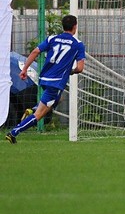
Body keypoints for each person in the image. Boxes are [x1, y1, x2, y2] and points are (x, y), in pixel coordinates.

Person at [5, 15, 86, 144]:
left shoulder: (52, 38)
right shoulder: (78, 44)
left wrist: (24, 69)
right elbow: (80, 68)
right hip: (56, 82)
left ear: (63, 26)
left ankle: (34, 108)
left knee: (56, 100)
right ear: (75, 27)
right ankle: (14, 132)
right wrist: (71, 71)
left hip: (43, 78)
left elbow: (35, 52)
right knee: (40, 114)